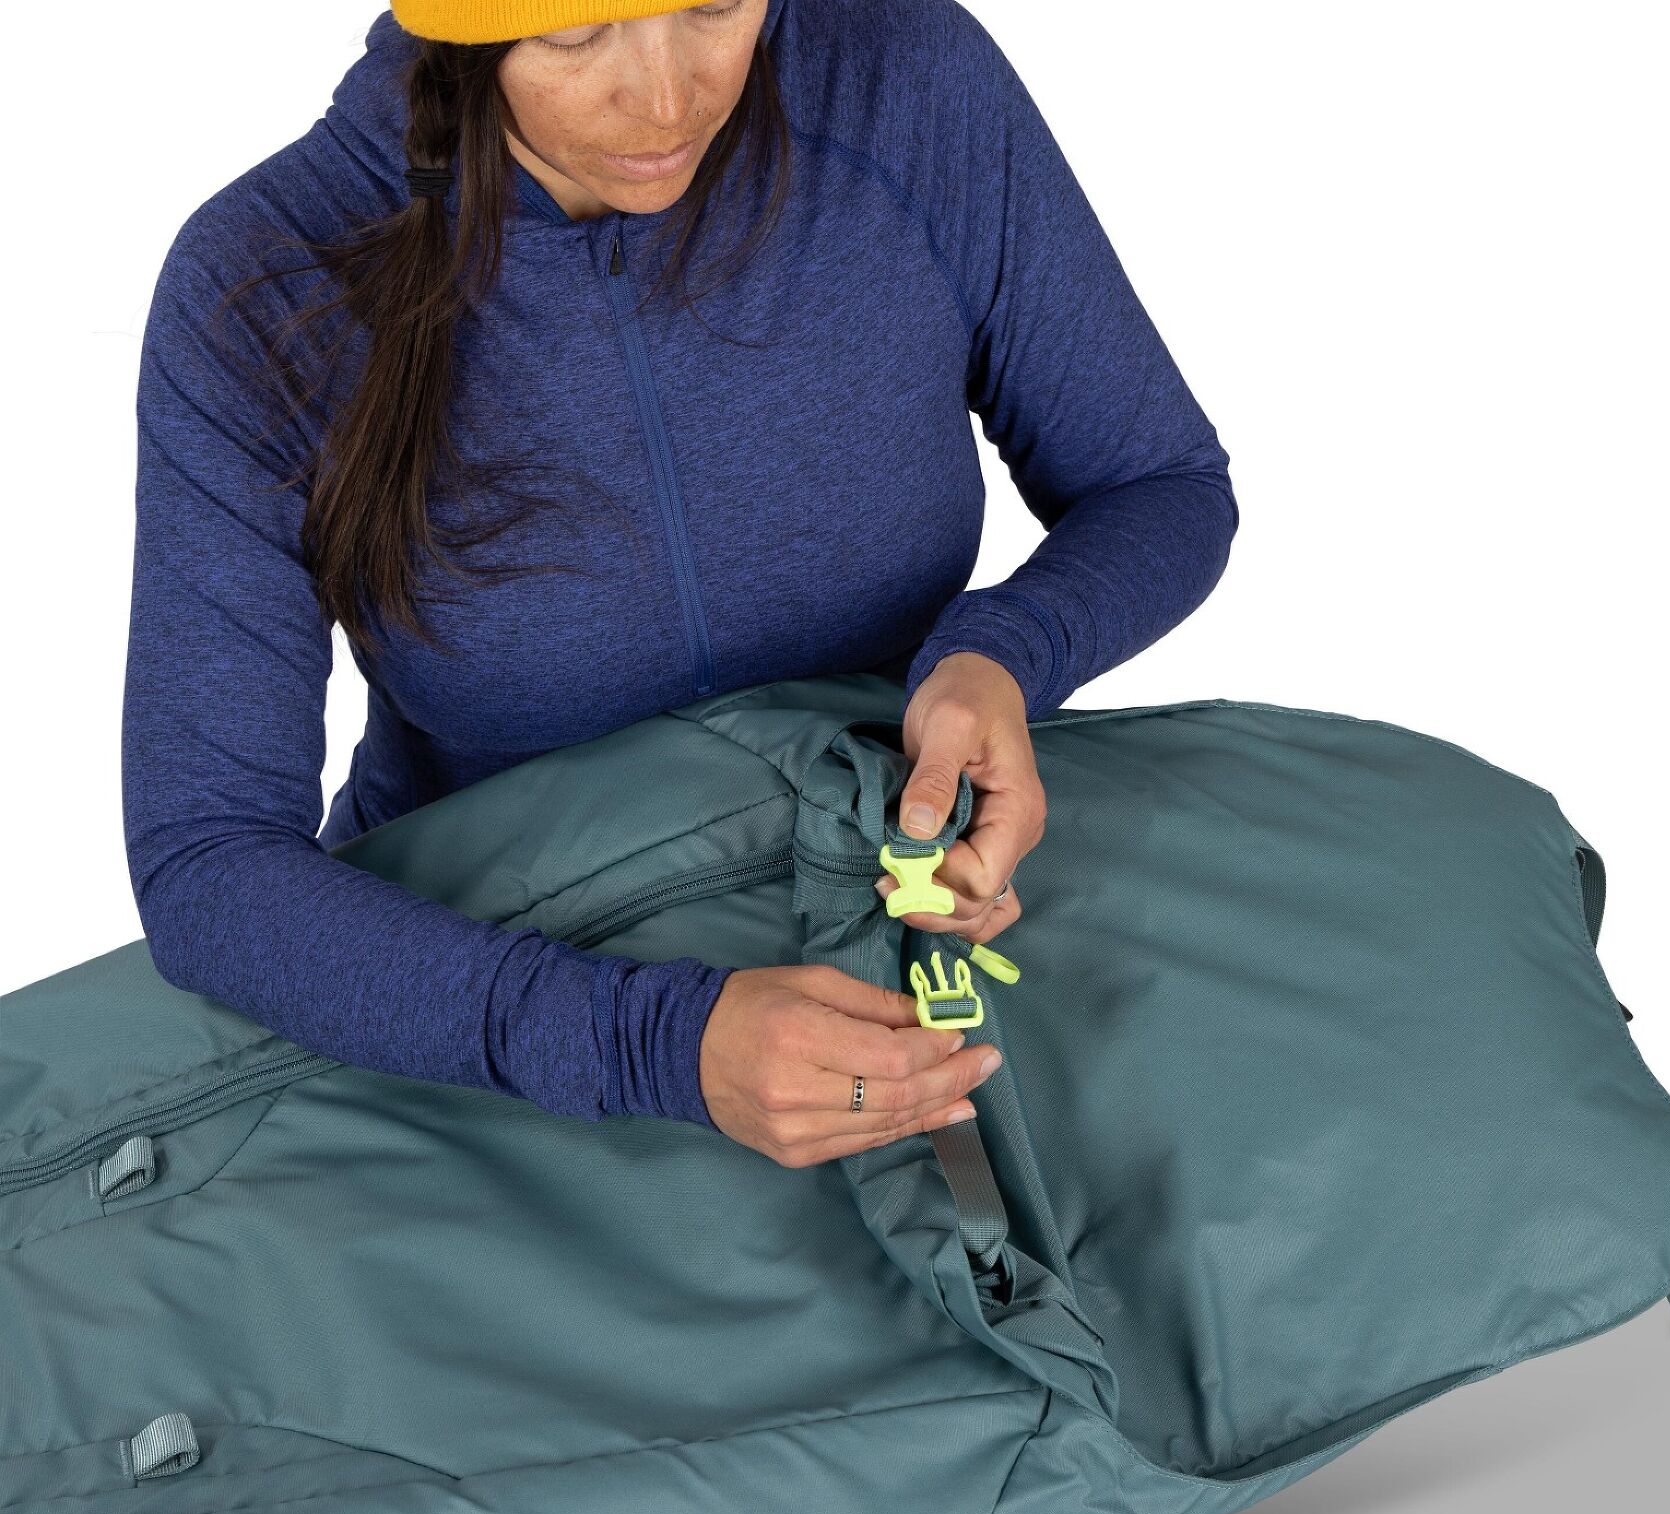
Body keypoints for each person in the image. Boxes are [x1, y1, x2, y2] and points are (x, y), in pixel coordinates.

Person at [123, 0, 1237, 1170]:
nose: (664, 101)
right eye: (574, 36)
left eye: (712, 5)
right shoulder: (269, 279)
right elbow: (208, 866)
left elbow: (1157, 482)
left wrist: (999, 653)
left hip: (892, 946)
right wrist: (650, 1042)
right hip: (486, 1026)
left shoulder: (904, 89)